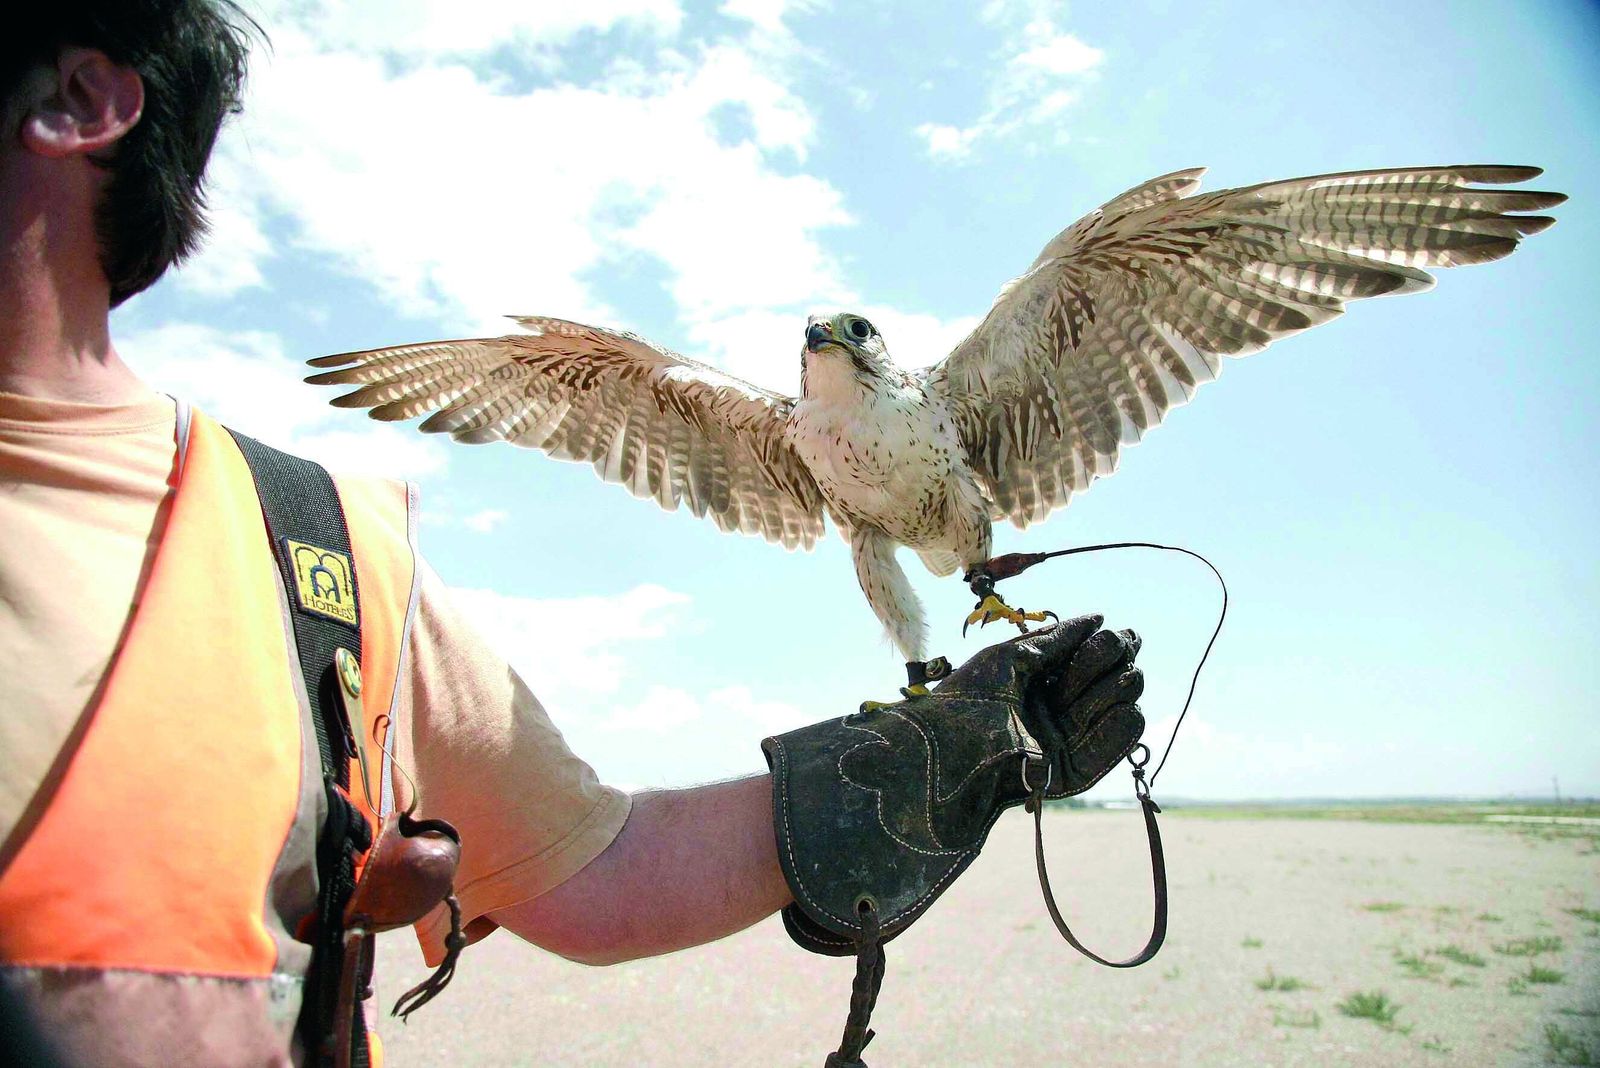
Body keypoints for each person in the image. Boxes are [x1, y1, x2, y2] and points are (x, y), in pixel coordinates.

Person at [0, 4, 1147, 1066]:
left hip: (957, 522)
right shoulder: (777, 428)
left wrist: (935, 754)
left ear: (77, 99)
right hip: (867, 542)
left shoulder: (324, 561)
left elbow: (596, 875)